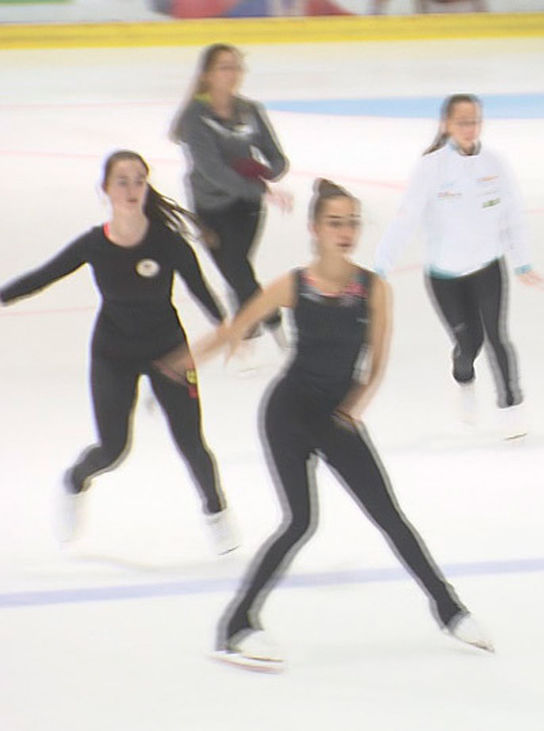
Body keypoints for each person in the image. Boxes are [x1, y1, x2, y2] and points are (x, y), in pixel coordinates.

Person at [175, 179, 492, 669]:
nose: (345, 232)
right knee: (300, 522)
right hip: (287, 413)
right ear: (315, 229)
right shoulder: (293, 284)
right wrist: (180, 365)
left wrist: (353, 407)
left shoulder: (374, 289)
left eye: (352, 223)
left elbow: (376, 365)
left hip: (336, 417)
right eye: (335, 223)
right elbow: (235, 328)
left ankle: (451, 612)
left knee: (389, 516)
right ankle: (236, 626)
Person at [0, 151, 234, 553]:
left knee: (191, 441)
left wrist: (230, 329)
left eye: (138, 180)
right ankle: (75, 481)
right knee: (113, 449)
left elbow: (202, 291)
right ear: (106, 189)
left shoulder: (168, 243)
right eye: (122, 181)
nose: (131, 189)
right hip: (114, 354)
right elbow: (42, 277)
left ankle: (217, 513)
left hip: (169, 354)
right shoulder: (95, 244)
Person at [375, 93, 544, 437]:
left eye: (475, 121)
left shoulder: (495, 163)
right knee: (469, 343)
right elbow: (406, 218)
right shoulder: (431, 167)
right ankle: (463, 377)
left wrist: (522, 261)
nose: (470, 129)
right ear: (447, 125)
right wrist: (381, 267)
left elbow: (512, 214)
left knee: (497, 336)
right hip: (445, 276)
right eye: (463, 122)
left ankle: (511, 406)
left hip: (488, 266)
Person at [171, 43, 292, 349]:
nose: (233, 73)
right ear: (208, 75)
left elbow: (277, 158)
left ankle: (252, 330)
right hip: (210, 208)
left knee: (238, 271)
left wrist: (266, 171)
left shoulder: (251, 111)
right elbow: (212, 170)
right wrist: (259, 187)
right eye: (225, 67)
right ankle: (271, 326)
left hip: (248, 208)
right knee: (237, 272)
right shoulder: (195, 118)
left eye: (237, 67)